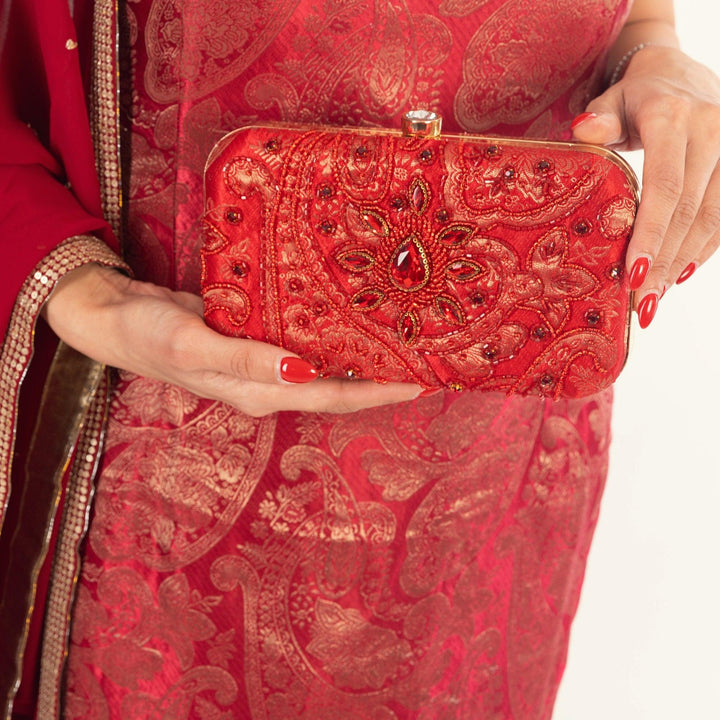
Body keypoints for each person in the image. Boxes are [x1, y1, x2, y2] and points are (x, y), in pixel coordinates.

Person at [1, 0, 719, 717]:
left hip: (494, 492)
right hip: (165, 484)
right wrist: (75, 287)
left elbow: (635, 19)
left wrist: (655, 57)